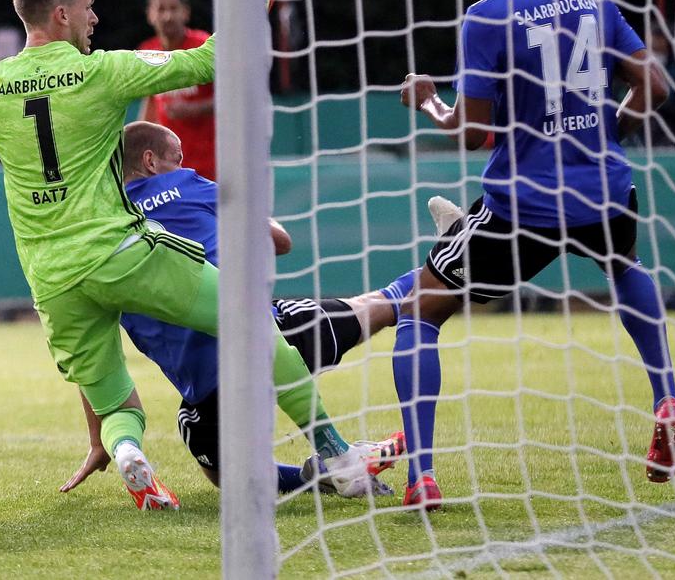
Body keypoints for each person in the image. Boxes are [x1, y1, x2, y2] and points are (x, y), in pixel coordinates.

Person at [0, 0, 383, 511]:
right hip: (118, 251)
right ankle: (337, 454)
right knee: (252, 321)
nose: (95, 15)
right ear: (61, 14)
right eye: (87, 5)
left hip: (50, 277)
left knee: (114, 403)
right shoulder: (102, 71)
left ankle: (132, 458)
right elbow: (211, 60)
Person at [393, 0, 675, 510]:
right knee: (623, 266)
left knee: (421, 310)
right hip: (604, 191)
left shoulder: (486, 18)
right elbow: (654, 85)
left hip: (523, 208)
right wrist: (611, 129)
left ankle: (421, 476)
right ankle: (668, 396)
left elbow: (470, 133)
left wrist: (426, 102)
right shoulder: (594, 1)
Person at [58, 121, 413, 495]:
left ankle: (312, 477)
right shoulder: (185, 184)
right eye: (176, 159)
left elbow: (95, 356)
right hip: (268, 337)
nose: (181, 165)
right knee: (376, 306)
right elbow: (280, 241)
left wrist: (97, 439)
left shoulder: (104, 230)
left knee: (220, 469)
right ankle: (446, 267)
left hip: (207, 389)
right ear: (150, 161)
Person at [135, 0, 215, 179]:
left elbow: (232, 95)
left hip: (211, 164)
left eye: (173, 8)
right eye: (161, 9)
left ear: (185, 12)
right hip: (167, 168)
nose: (168, 16)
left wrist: (193, 109)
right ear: (150, 14)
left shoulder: (202, 46)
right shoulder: (146, 51)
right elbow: (151, 101)